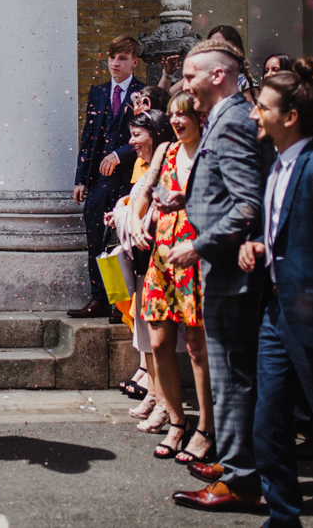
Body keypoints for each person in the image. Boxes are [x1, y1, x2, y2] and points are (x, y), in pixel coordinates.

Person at [162, 39, 264, 511]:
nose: (184, 86)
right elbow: (227, 189)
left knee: (232, 376)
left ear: (217, 75)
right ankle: (235, 460)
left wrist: (197, 245)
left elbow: (248, 204)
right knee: (228, 375)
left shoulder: (234, 121)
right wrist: (188, 201)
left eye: (189, 76)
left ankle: (242, 480)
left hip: (230, 270)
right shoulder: (226, 117)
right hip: (220, 265)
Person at [238, 59, 313, 528]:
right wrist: (259, 245)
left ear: (290, 117)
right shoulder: (276, 165)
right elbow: (282, 231)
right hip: (274, 310)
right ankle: (283, 517)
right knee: (268, 420)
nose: (254, 115)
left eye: (263, 108)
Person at [132, 92, 214, 463]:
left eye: (187, 115)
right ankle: (177, 421)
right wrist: (135, 219)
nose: (179, 121)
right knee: (159, 341)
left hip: (196, 257)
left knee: (198, 348)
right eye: (176, 116)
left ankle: (206, 428)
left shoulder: (212, 151)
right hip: (162, 258)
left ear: (201, 117)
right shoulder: (165, 151)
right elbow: (143, 191)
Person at [70, 36, 146, 319]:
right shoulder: (99, 93)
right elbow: (88, 139)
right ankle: (99, 299)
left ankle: (122, 305)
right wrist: (80, 179)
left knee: (122, 241)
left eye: (123, 58)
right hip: (99, 182)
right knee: (95, 240)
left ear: (134, 63)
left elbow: (148, 133)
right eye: (112, 57)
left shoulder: (142, 93)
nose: (115, 63)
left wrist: (121, 153)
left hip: (129, 180)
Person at [107, 110, 176, 421]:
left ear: (157, 134)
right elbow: (136, 207)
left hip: (157, 262)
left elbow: (154, 211)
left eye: (138, 135)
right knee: (144, 337)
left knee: (158, 340)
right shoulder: (146, 169)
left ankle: (165, 404)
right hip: (140, 263)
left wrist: (126, 213)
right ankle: (152, 395)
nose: (132, 141)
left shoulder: (162, 171)